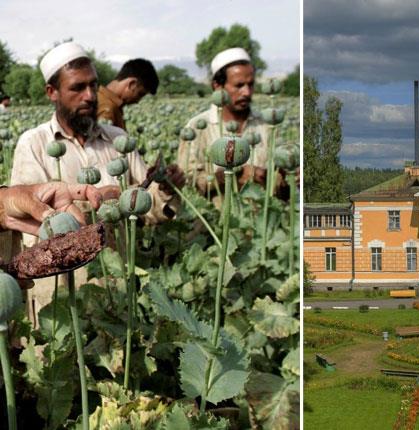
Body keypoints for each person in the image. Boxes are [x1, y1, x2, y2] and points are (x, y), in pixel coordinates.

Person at [9, 41, 184, 322]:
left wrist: (163, 188)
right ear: (52, 92)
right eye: (77, 88)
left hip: (116, 292)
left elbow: (147, 208)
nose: (90, 96)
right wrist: (95, 205)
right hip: (61, 301)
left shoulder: (118, 140)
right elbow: (31, 227)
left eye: (93, 85)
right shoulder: (34, 144)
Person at [177, 47, 269, 194]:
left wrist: (272, 176)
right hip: (215, 215)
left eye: (250, 84)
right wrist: (227, 176)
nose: (246, 92)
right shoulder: (196, 127)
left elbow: (278, 172)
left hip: (260, 213)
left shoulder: (266, 124)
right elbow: (187, 183)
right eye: (239, 85)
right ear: (217, 86)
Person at [97, 58, 159, 129]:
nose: (137, 101)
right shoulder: (107, 110)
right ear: (132, 84)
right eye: (140, 94)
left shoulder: (101, 99)